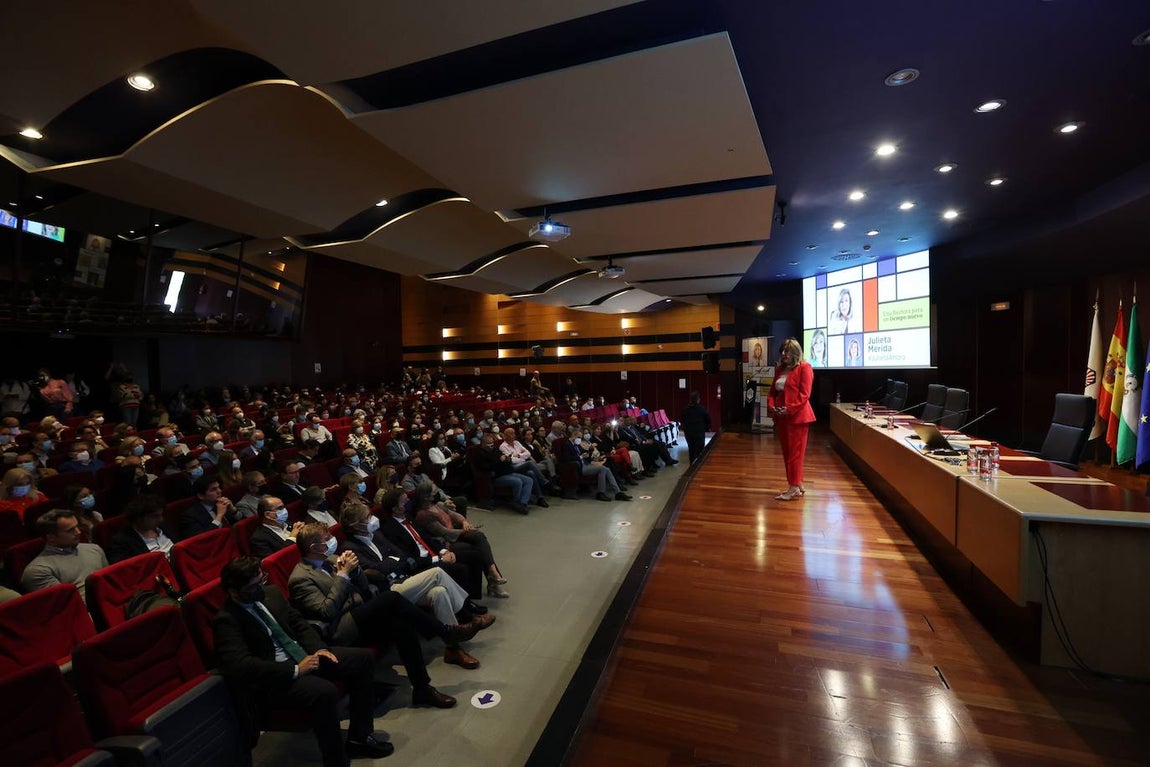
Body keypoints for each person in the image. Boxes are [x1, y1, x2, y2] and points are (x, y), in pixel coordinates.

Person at [212, 556, 394, 766]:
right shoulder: (226, 620)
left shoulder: (270, 594)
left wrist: (319, 649)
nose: (261, 587)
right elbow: (242, 666)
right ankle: (335, 760)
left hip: (305, 655)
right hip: (278, 677)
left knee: (362, 659)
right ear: (235, 592)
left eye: (262, 579)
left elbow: (298, 624)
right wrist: (296, 669)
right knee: (324, 692)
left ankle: (359, 737)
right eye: (254, 586)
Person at [288, 523, 478, 709]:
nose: (332, 541)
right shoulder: (301, 578)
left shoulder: (331, 560)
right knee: (391, 598)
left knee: (401, 623)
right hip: (340, 629)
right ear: (314, 547)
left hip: (359, 613)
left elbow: (362, 586)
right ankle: (446, 632)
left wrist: (354, 570)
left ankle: (422, 689)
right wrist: (343, 576)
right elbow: (326, 611)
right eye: (327, 539)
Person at [339, 498, 491, 669]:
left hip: (404, 580)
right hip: (389, 592)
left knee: (439, 592)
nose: (372, 519)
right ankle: (467, 615)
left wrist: (392, 563)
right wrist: (393, 563)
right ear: (355, 524)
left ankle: (453, 649)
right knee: (437, 573)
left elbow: (402, 556)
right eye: (367, 517)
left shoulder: (376, 534)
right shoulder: (350, 547)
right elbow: (379, 571)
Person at [769, 338, 815, 500]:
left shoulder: (805, 368)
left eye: (786, 351)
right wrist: (772, 406)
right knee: (787, 453)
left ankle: (793, 486)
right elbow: (772, 393)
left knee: (795, 454)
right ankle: (797, 482)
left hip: (797, 417)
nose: (783, 354)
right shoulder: (780, 369)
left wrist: (789, 409)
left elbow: (804, 395)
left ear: (795, 352)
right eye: (782, 351)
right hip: (781, 417)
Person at [22, 509, 108, 596]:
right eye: (70, 530)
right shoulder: (38, 571)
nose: (78, 532)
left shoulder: (94, 549)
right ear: (51, 537)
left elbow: (109, 582)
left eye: (77, 526)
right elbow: (65, 604)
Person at [107, 495, 176, 563]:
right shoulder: (122, 541)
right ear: (138, 518)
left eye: (161, 515)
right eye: (154, 516)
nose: (161, 519)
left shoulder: (163, 527)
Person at [680, 392, 712, 464]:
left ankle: (691, 465)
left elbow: (682, 420)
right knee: (700, 450)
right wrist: (708, 428)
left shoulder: (685, 409)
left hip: (688, 432)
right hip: (699, 432)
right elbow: (708, 419)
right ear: (698, 400)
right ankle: (698, 466)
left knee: (691, 449)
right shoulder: (702, 409)